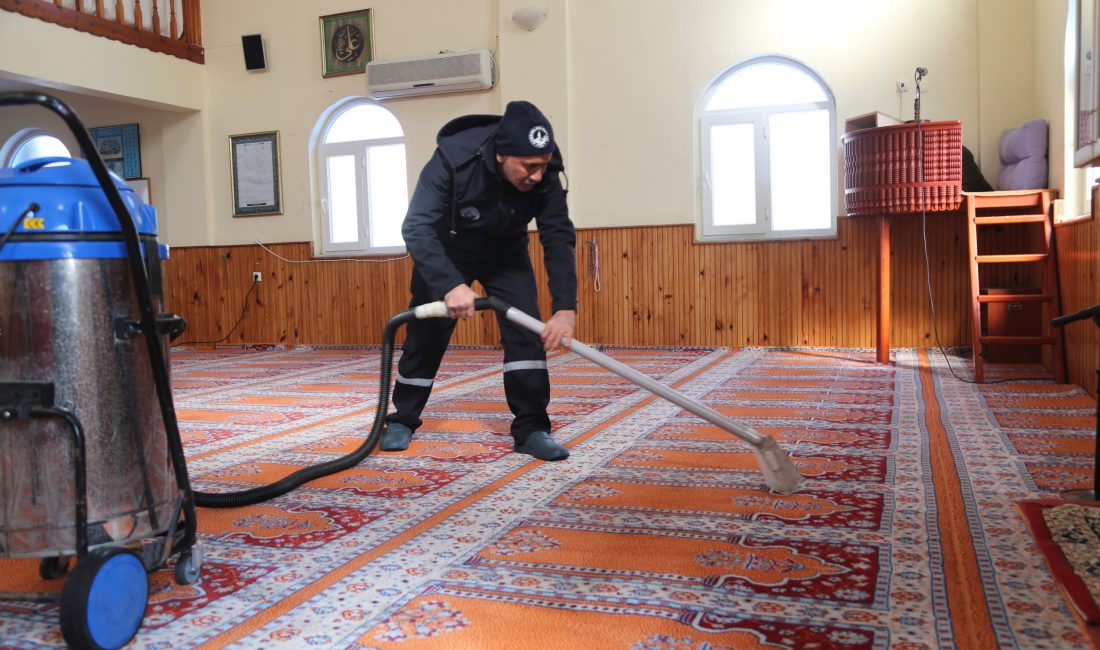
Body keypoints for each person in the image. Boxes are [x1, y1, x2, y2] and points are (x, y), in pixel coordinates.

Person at [380, 100, 577, 461]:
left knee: (526, 334)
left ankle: (531, 427)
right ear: (502, 155)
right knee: (426, 336)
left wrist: (565, 307)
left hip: (506, 253)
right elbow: (416, 226)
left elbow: (558, 236)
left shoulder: (547, 173)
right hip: (447, 250)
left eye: (542, 166)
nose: (536, 175)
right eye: (528, 166)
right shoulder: (454, 158)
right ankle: (402, 419)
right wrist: (450, 284)